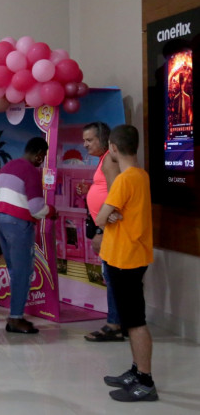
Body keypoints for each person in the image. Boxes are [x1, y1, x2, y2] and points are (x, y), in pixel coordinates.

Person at [96, 125, 158, 402]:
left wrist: (107, 215)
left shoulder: (123, 180)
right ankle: (136, 371)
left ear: (113, 148)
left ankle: (145, 380)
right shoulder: (141, 175)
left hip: (125, 258)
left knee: (135, 322)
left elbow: (100, 217)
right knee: (131, 321)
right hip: (131, 255)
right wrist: (110, 215)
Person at [0, 136, 56, 334]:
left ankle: (15, 313)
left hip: (1, 222)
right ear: (37, 154)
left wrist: (5, 211)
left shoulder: (7, 167)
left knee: (13, 270)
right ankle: (16, 318)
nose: (42, 161)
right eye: (42, 157)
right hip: (19, 225)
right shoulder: (31, 172)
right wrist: (51, 211)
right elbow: (36, 209)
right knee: (22, 272)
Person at [79, 122, 124, 342]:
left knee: (112, 276)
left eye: (89, 140)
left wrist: (100, 230)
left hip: (109, 230)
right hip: (106, 228)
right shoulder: (103, 160)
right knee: (111, 276)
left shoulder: (108, 160)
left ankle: (114, 324)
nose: (85, 144)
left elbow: (116, 196)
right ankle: (116, 321)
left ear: (103, 139)